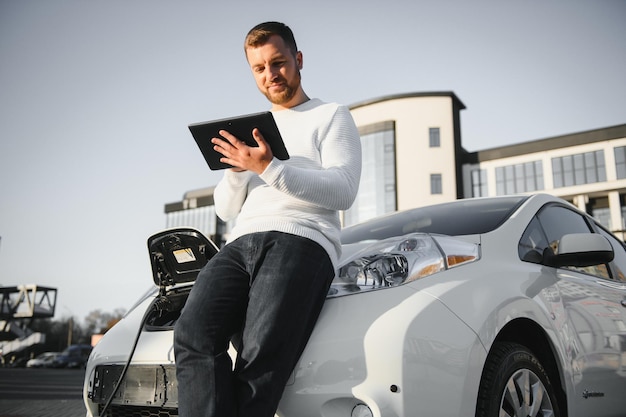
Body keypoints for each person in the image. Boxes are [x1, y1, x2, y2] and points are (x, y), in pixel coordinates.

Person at [173, 21, 362, 417]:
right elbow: (225, 210)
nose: (270, 74)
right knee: (192, 334)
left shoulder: (331, 116)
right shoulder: (254, 132)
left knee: (260, 357)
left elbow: (343, 190)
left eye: (278, 63)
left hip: (301, 239)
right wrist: (238, 169)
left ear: (298, 59)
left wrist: (269, 167)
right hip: (241, 242)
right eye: (259, 68)